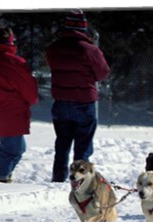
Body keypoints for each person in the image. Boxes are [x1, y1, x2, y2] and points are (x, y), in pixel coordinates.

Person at [46, 9, 110, 182]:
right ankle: (81, 182)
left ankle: (58, 179)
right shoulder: (90, 50)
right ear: (84, 28)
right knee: (83, 145)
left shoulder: (53, 48)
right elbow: (103, 73)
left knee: (62, 143)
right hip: (84, 102)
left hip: (60, 102)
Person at [0, 26, 38, 183]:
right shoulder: (14, 63)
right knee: (11, 151)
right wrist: (29, 102)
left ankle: (3, 177)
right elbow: (29, 91)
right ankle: (1, 180)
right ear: (11, 42)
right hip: (11, 112)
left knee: (17, 148)